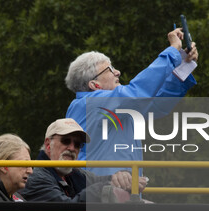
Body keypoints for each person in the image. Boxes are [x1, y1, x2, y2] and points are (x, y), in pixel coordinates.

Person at [65, 27, 198, 175]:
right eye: (110, 69)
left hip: (119, 193)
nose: (117, 72)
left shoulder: (115, 108)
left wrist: (183, 65)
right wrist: (173, 51)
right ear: (94, 85)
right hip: (97, 194)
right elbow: (137, 92)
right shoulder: (90, 104)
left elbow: (157, 104)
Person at [20, 118, 142, 202]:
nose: (72, 148)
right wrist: (102, 189)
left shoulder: (76, 174)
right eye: (66, 141)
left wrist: (123, 178)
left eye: (78, 144)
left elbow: (103, 181)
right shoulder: (36, 178)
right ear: (48, 145)